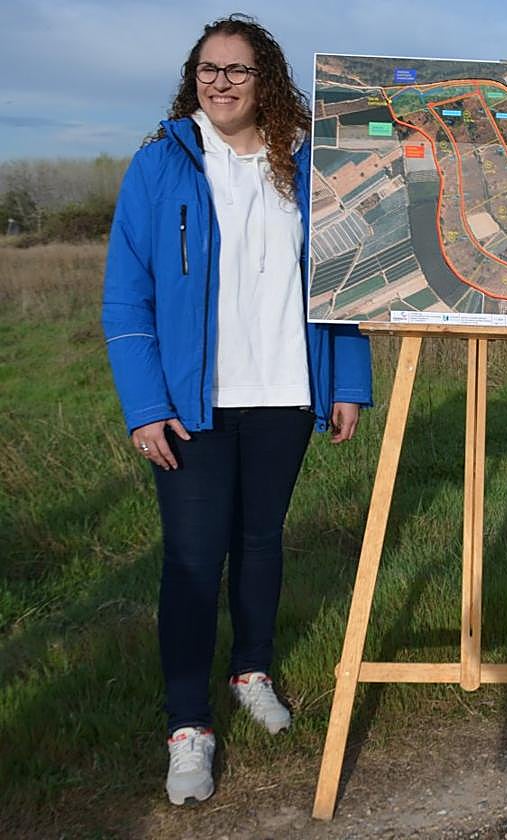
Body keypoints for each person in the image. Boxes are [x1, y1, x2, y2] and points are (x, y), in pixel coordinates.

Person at [102, 15, 373, 806]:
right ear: (193, 77)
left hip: (285, 391)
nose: (220, 84)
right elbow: (127, 294)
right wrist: (145, 404)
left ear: (268, 80)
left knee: (260, 543)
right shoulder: (161, 163)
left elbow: (344, 276)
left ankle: (251, 668)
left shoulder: (306, 164)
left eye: (238, 71)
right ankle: (188, 724)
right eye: (208, 70)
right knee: (191, 557)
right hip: (194, 404)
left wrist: (346, 378)